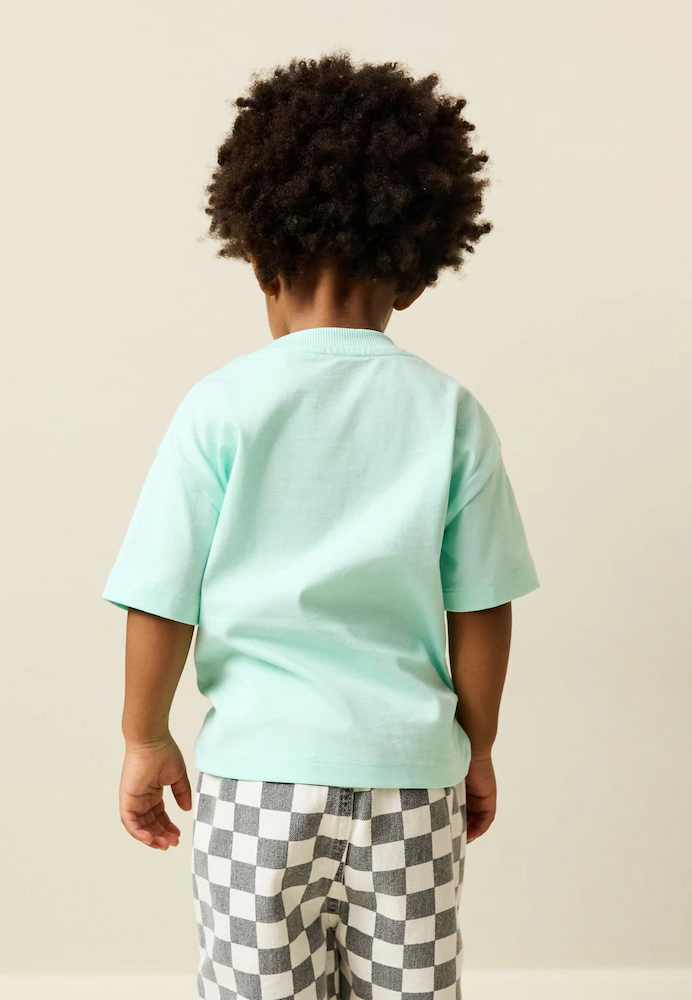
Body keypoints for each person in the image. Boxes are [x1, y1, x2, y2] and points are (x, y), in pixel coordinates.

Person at [102, 50, 540, 1000]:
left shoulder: (220, 407)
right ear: (415, 275)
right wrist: (476, 747)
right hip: (409, 787)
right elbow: (482, 609)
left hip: (256, 787)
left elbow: (160, 596)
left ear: (260, 258)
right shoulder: (451, 414)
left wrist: (145, 737)